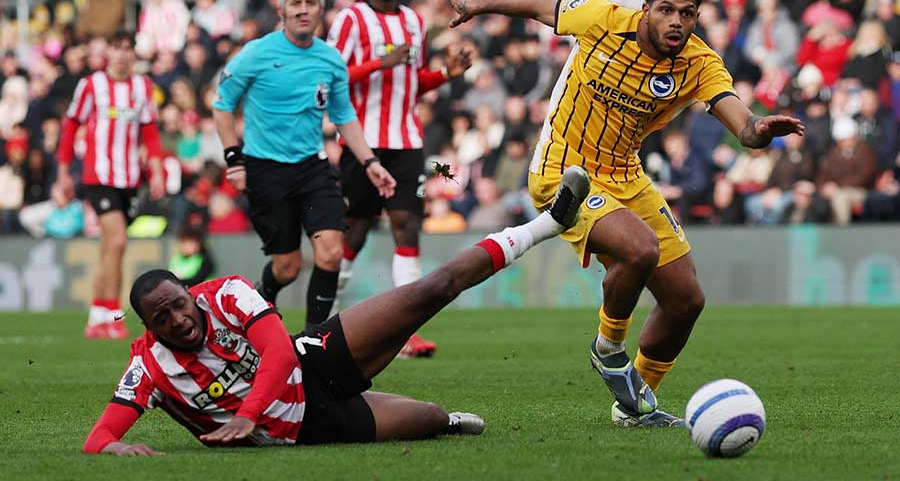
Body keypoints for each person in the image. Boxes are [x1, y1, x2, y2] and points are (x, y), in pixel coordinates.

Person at [445, 0, 805, 427]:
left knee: (685, 301)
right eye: (667, 9)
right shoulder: (600, 19)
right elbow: (538, 5)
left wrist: (760, 131)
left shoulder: (699, 63)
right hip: (563, 168)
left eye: (688, 13)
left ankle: (634, 405)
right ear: (646, 8)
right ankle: (608, 347)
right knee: (639, 249)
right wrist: (477, 3)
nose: (677, 21)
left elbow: (743, 124)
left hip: (627, 176)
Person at [81, 166, 591, 454]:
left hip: (310, 362)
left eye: (177, 305)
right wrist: (116, 448)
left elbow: (279, 353)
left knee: (427, 291)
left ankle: (547, 224)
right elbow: (99, 436)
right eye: (161, 319)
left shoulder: (227, 293)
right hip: (310, 427)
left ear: (190, 293)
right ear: (148, 329)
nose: (178, 320)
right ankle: (445, 420)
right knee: (432, 419)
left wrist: (246, 417)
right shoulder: (147, 367)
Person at [212, 0, 396, 329]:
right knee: (288, 267)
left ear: (321, 11)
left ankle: (314, 340)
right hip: (266, 170)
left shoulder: (330, 60)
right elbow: (222, 106)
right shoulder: (255, 54)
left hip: (313, 168)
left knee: (330, 252)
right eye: (295, 3)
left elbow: (343, 116)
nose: (303, 10)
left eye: (310, 3)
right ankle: (263, 292)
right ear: (281, 10)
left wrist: (369, 161)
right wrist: (234, 158)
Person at [326, 0, 473, 357]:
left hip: (407, 140)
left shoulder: (412, 20)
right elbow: (331, 75)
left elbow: (412, 82)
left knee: (406, 226)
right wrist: (379, 63)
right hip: (361, 140)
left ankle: (405, 330)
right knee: (356, 228)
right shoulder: (351, 19)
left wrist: (446, 73)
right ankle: (326, 315)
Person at [53, 30, 165, 340]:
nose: (121, 54)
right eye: (116, 48)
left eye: (127, 48)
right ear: (108, 53)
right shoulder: (92, 86)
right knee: (117, 242)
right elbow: (70, 125)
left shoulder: (143, 87)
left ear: (133, 54)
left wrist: (156, 170)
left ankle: (97, 315)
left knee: (109, 248)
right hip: (98, 177)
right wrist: (63, 172)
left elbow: (151, 133)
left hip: (128, 179)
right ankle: (113, 314)